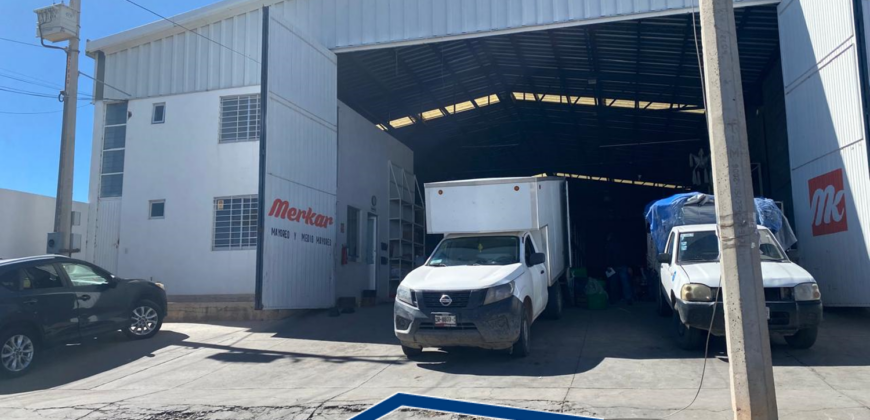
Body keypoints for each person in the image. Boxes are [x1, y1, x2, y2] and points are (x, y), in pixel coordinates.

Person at [605, 233, 633, 305]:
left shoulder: (609, 245)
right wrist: (629, 266)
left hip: (614, 266)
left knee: (613, 283)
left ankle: (613, 299)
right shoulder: (622, 245)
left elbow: (608, 256)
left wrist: (608, 265)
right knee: (625, 283)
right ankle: (628, 298)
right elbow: (627, 255)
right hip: (623, 265)